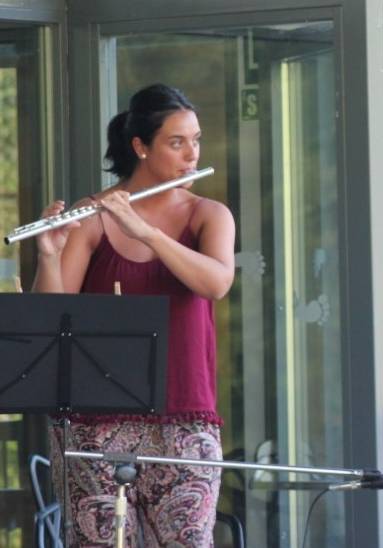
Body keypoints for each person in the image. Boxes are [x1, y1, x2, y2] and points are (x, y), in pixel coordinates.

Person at [33, 83, 235, 546]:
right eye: (176, 142)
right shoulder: (93, 215)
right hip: (92, 423)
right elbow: (52, 314)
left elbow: (216, 283)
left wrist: (146, 232)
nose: (191, 155)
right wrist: (49, 253)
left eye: (195, 140)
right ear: (140, 147)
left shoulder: (209, 214)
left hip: (185, 418)